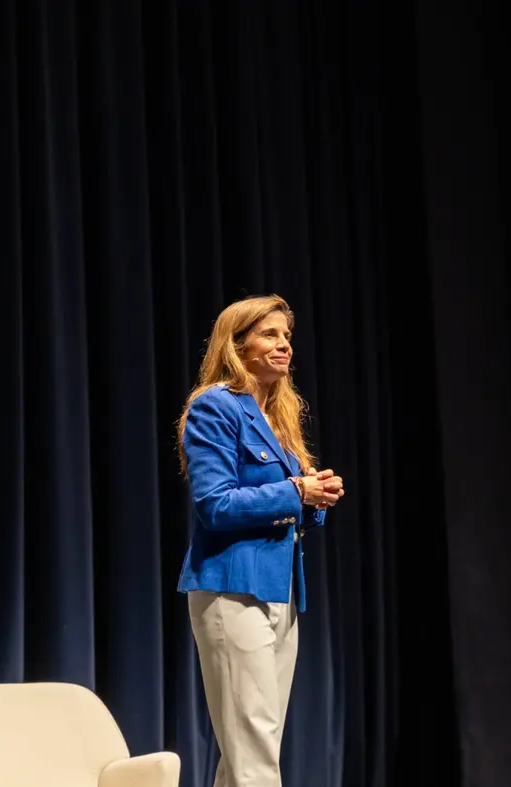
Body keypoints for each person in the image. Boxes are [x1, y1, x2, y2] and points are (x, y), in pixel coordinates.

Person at [176, 294, 344, 787]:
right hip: (232, 586)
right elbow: (214, 504)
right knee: (255, 748)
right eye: (269, 335)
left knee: (249, 751)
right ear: (237, 343)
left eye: (286, 336)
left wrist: (315, 500)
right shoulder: (214, 408)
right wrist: (296, 490)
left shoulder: (278, 416)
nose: (283, 345)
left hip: (280, 589)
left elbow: (290, 512)